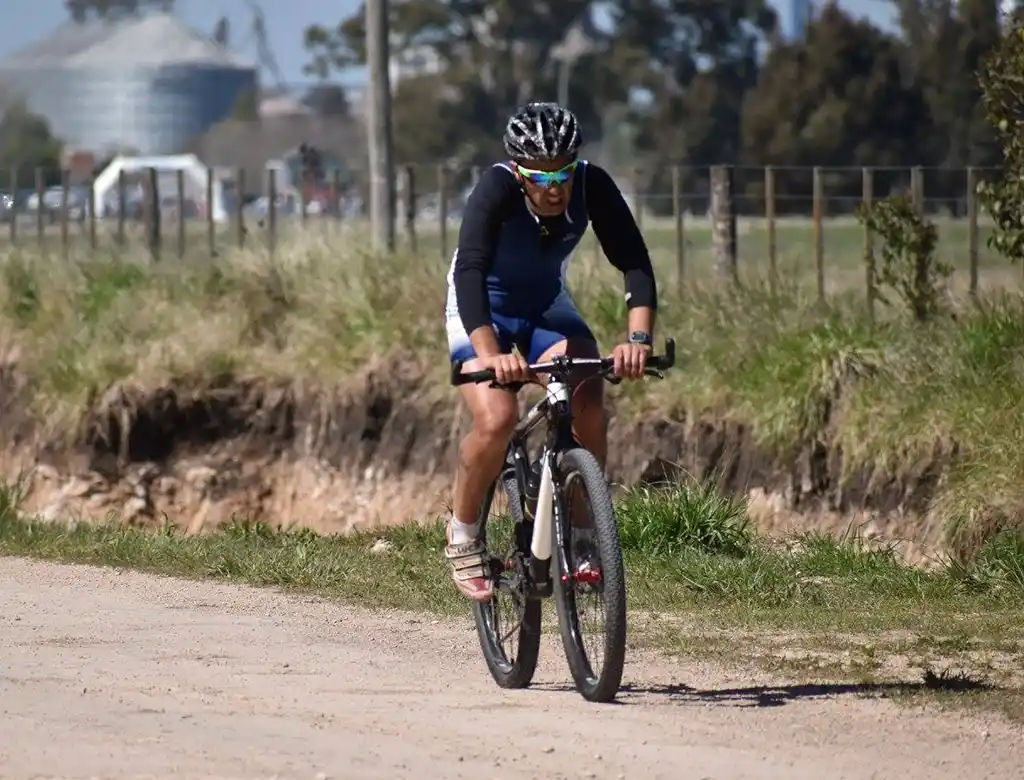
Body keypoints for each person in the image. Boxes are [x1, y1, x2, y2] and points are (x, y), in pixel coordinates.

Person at [444, 101, 659, 601]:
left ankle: (584, 535)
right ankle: (463, 532)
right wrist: (492, 353)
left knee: (585, 388)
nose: (554, 185)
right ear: (519, 172)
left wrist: (638, 340)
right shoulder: (495, 189)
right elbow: (469, 272)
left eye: (563, 171)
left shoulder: (592, 185)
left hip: (544, 305)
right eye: (540, 175)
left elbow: (633, 259)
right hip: (480, 310)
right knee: (497, 417)